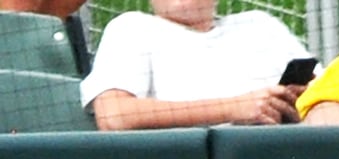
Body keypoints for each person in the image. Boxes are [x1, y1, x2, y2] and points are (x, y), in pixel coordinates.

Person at [79, 0, 314, 130]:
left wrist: (303, 98)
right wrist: (235, 108)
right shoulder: (133, 28)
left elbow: (324, 91)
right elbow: (114, 115)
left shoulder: (262, 26)